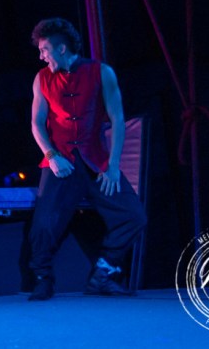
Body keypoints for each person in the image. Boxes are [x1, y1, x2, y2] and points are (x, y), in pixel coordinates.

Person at [26, 18, 146, 301]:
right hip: (61, 162)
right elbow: (36, 123)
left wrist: (113, 166)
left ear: (62, 49)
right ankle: (43, 278)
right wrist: (52, 156)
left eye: (44, 50)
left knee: (133, 217)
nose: (41, 56)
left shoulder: (102, 72)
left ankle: (103, 275)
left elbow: (117, 120)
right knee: (43, 224)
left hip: (96, 161)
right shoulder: (42, 78)